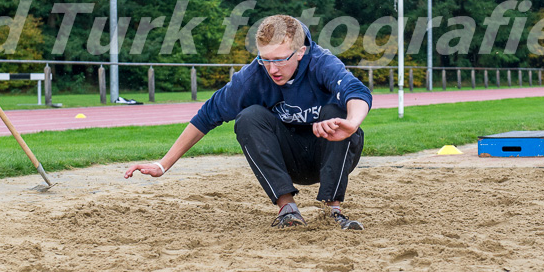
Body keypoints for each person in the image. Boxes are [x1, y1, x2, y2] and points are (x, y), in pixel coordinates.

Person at [125, 14, 372, 229]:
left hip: (330, 152)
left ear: (300, 52)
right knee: (248, 117)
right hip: (289, 160)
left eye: (280, 59)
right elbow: (206, 115)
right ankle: (287, 209)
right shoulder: (253, 76)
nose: (272, 69)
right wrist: (162, 164)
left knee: (336, 111)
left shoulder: (321, 62)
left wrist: (350, 123)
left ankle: (334, 210)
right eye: (266, 59)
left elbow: (357, 92)